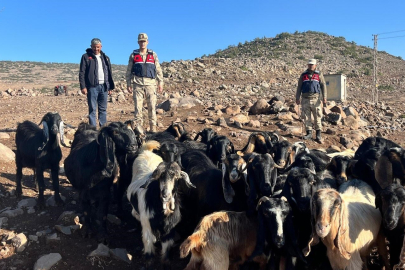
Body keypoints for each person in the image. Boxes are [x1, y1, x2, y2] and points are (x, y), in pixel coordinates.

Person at [126, 33, 163, 132]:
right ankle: (139, 130)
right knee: (138, 109)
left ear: (147, 42)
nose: (143, 43)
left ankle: (153, 129)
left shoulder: (153, 54)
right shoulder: (134, 55)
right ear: (138, 42)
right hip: (137, 84)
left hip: (150, 84)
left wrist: (160, 83)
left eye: (144, 41)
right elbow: (129, 70)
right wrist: (128, 84)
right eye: (141, 41)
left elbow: (158, 69)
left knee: (152, 107)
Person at [79, 38, 115, 127]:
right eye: (94, 47)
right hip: (92, 87)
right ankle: (93, 130)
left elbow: (109, 72)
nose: (96, 49)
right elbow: (82, 72)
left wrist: (110, 86)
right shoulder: (86, 57)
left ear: (101, 47)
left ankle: (103, 129)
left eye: (98, 47)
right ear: (91, 47)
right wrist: (83, 86)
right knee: (92, 109)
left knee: (103, 109)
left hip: (104, 86)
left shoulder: (105, 58)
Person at [296, 59, 327, 142]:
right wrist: (297, 97)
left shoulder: (319, 74)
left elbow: (323, 86)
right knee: (306, 117)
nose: (311, 66)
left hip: (316, 99)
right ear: (307, 65)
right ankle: (309, 133)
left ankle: (318, 134)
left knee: (317, 116)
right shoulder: (303, 75)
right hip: (305, 99)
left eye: (312, 64)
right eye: (309, 64)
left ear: (315, 65)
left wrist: (324, 97)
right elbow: (299, 87)